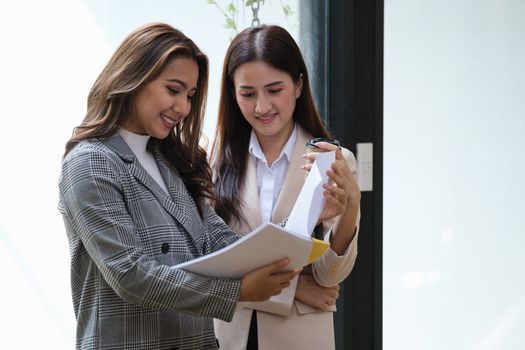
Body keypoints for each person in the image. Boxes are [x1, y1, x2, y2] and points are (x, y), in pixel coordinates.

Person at [58, 22, 301, 350]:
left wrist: (306, 219)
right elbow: (129, 274)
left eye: (189, 95)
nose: (184, 108)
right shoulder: (91, 162)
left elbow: (222, 242)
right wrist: (237, 292)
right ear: (134, 77)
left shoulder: (171, 161)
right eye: (173, 90)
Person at [211, 25, 361, 350]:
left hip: (300, 339)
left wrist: (350, 209)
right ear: (232, 93)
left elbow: (328, 279)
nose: (261, 107)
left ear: (298, 85)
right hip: (226, 337)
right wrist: (294, 291)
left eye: (274, 90)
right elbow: (206, 266)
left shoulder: (334, 161)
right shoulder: (212, 162)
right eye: (248, 94)